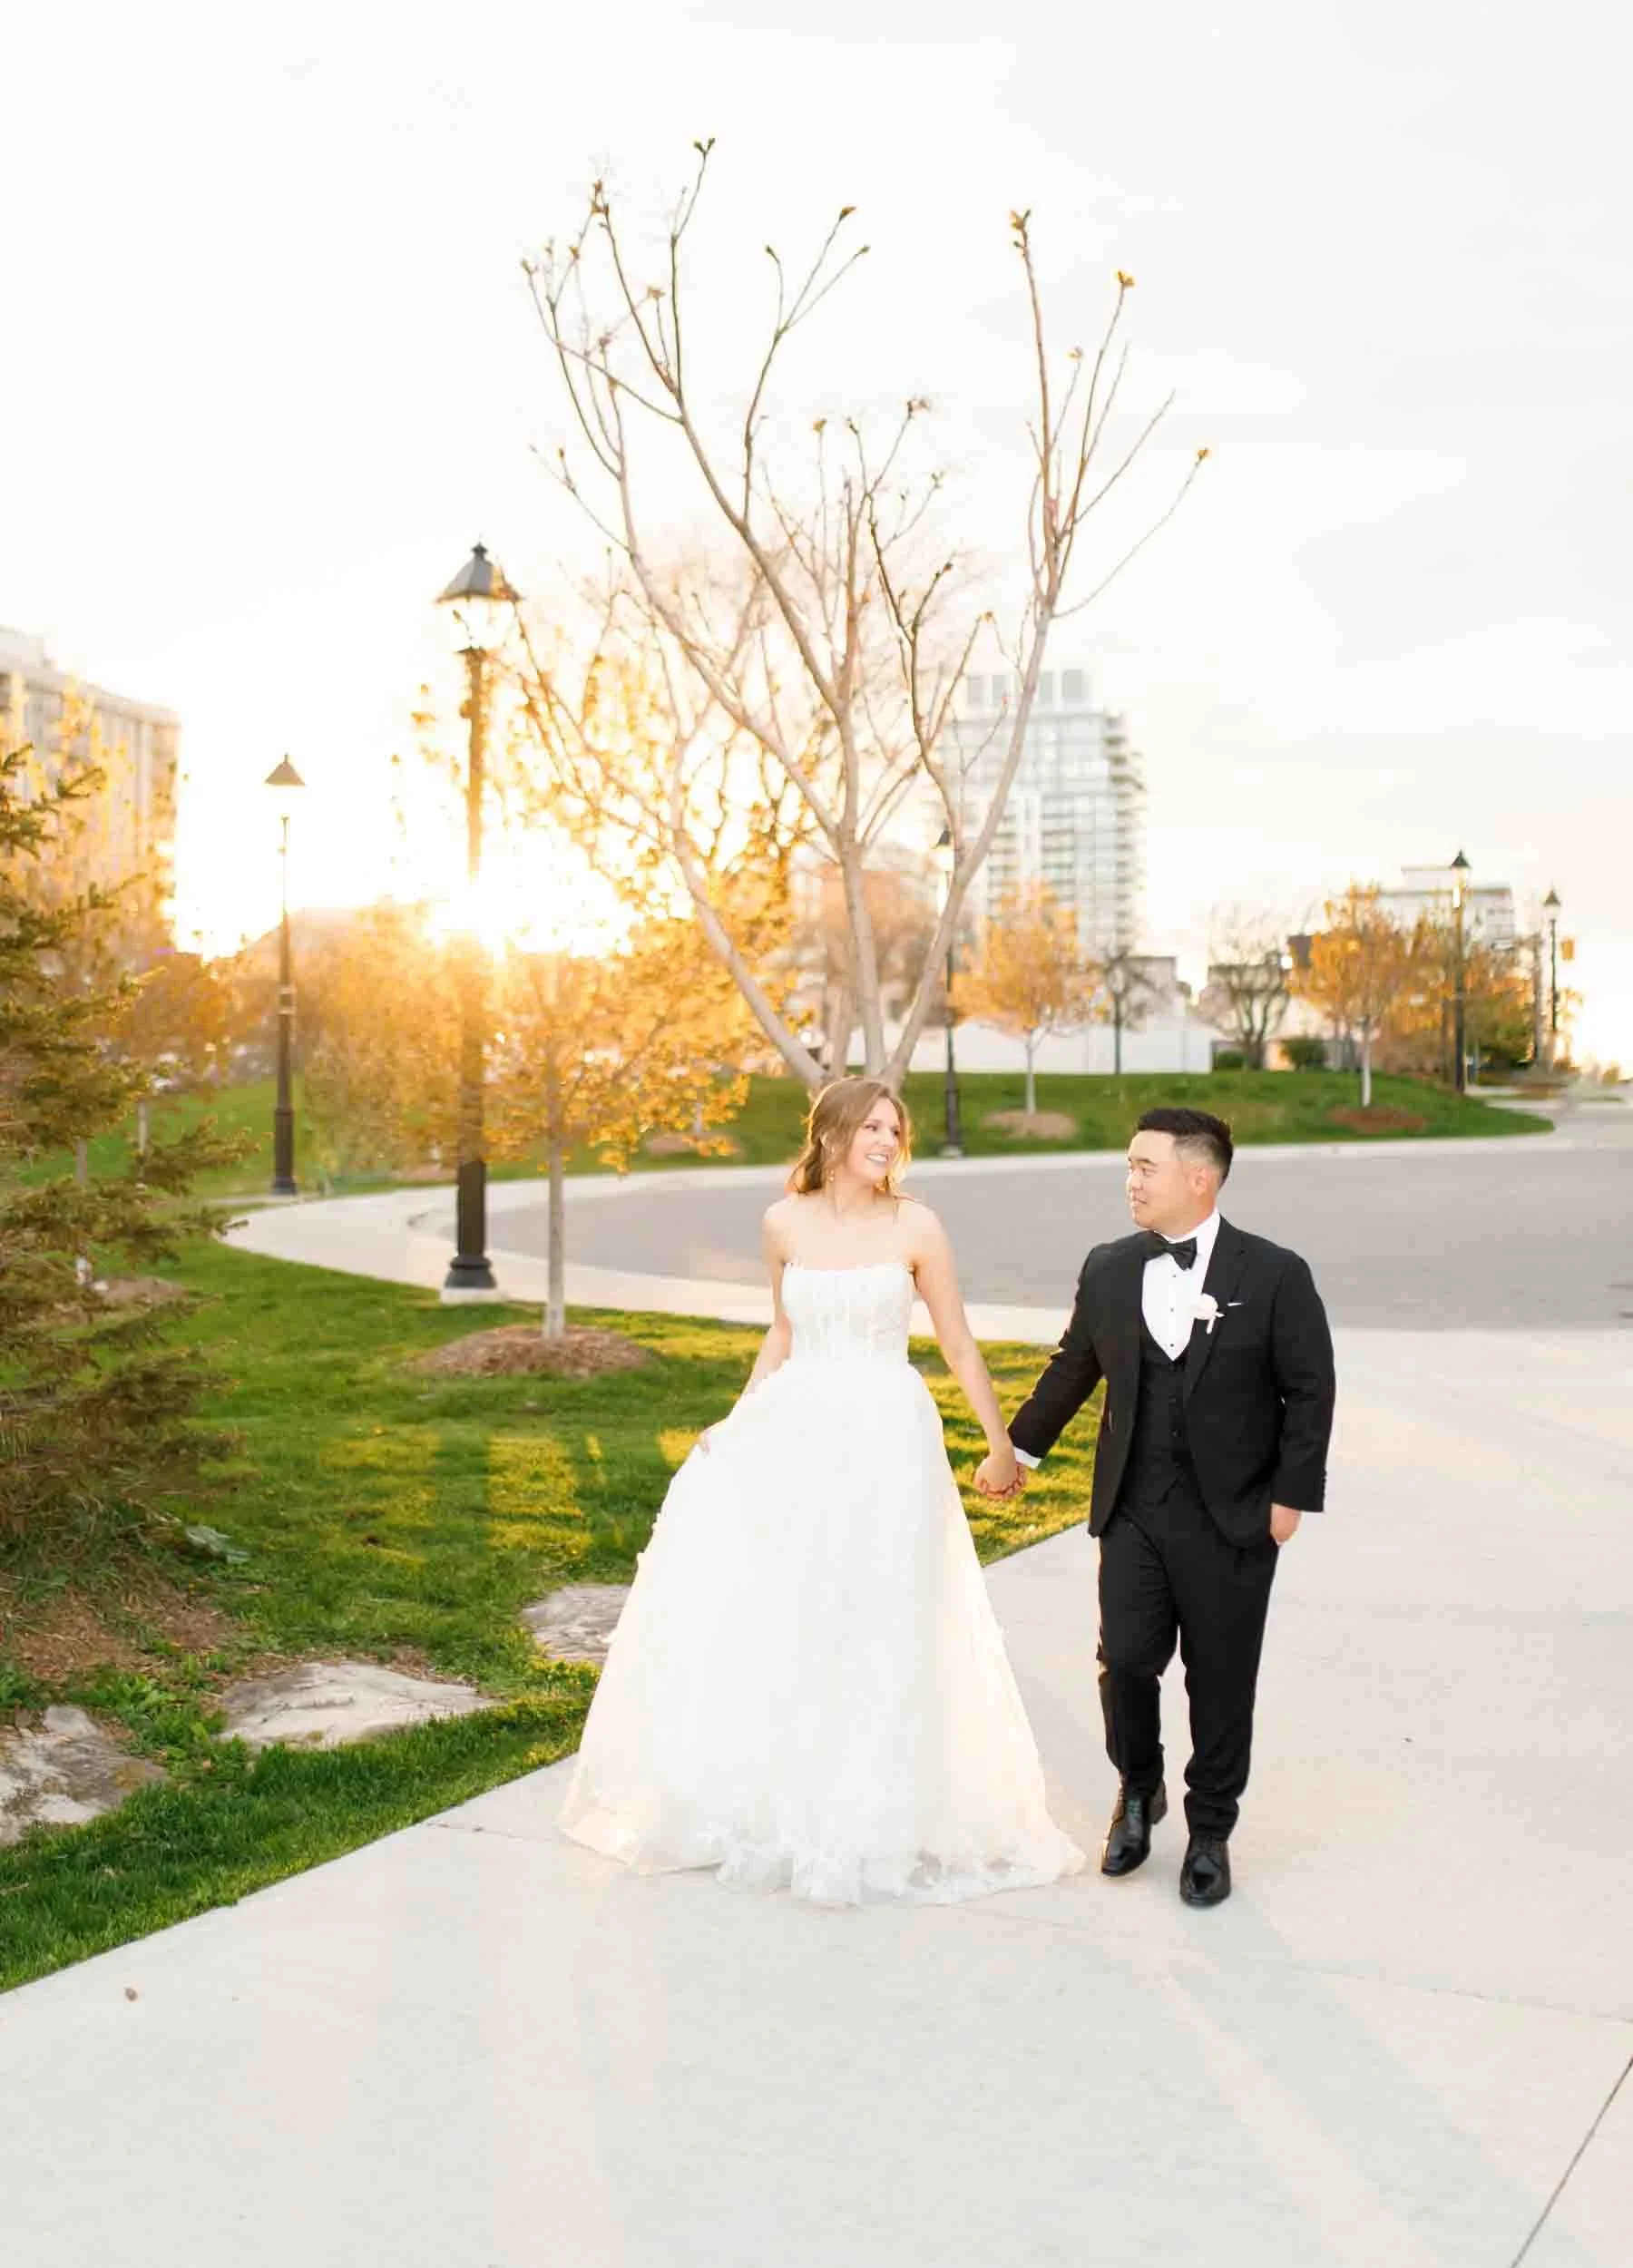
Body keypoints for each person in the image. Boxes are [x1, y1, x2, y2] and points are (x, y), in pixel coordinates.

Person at [559, 1076, 1085, 1905]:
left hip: (886, 1430)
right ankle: (788, 1803)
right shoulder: (782, 1223)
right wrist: (737, 1423)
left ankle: (879, 1811)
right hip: (799, 1426)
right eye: (871, 1125)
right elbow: (783, 1329)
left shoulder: (917, 1225)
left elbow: (956, 1342)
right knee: (794, 1607)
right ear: (832, 1132)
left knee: (880, 1610)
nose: (885, 1138)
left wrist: (998, 1443)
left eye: (894, 1128)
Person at [976, 1106, 1335, 1907]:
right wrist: (1016, 1452)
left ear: (1198, 1178)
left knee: (1221, 1678)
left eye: (1146, 1167)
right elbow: (1073, 1367)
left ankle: (1211, 1828)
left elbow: (1309, 1391)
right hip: (1134, 1507)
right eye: (1128, 1167)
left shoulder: (1275, 1274)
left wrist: (1289, 1501)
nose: (1130, 1180)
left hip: (1236, 1516)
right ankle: (1139, 1790)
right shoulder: (1108, 1267)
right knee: (1128, 1661)